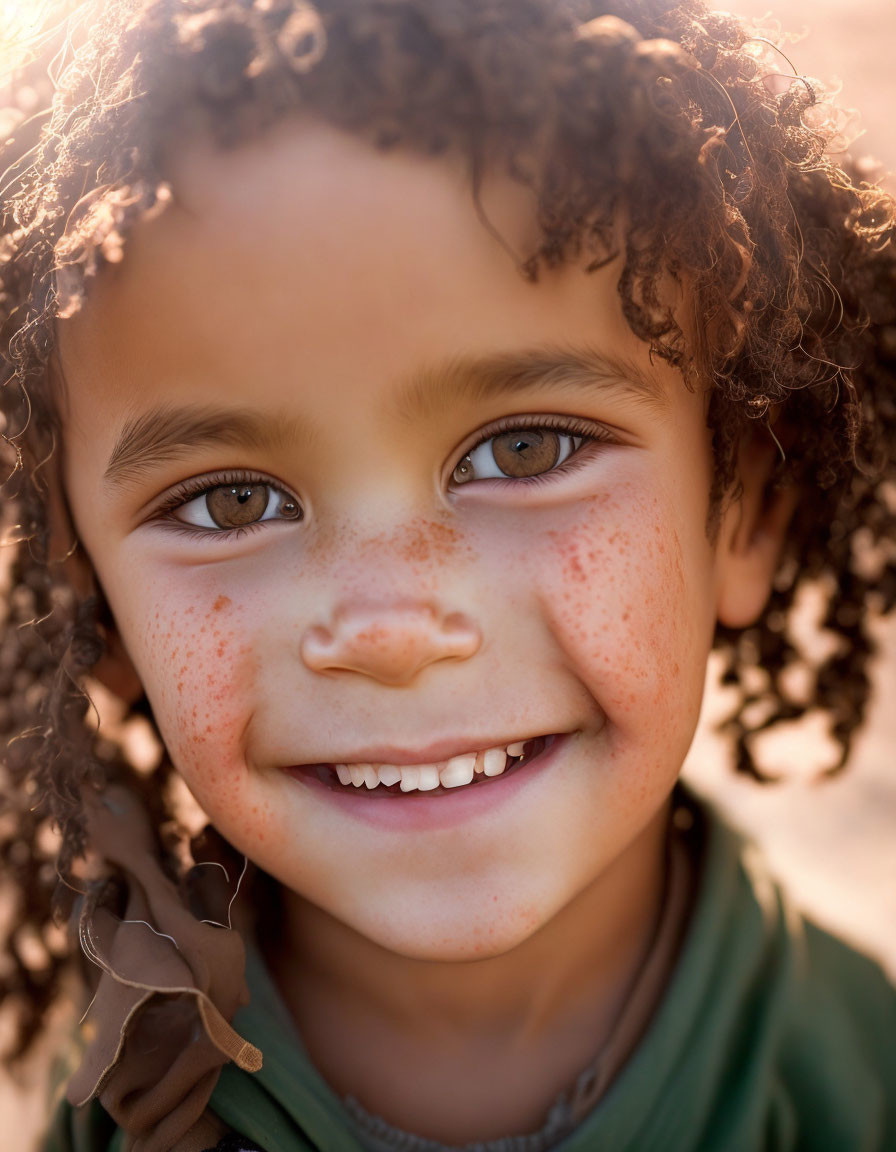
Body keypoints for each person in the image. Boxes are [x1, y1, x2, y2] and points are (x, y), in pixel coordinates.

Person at [0, 0, 894, 1149]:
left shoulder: (848, 1074)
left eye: (524, 449)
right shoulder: (132, 1087)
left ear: (744, 514)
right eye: (230, 502)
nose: (390, 629)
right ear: (101, 617)